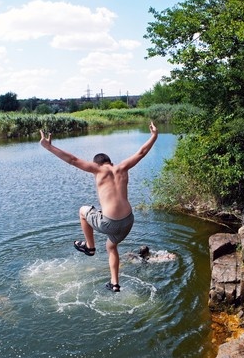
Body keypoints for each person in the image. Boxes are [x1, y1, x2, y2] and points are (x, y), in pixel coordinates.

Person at [39, 122, 159, 292]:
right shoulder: (123, 167)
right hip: (128, 221)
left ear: (97, 164)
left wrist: (48, 147)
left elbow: (72, 160)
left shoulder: (98, 170)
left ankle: (90, 247)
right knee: (111, 247)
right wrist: (154, 136)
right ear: (111, 162)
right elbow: (141, 152)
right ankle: (115, 284)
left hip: (110, 222)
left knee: (82, 211)